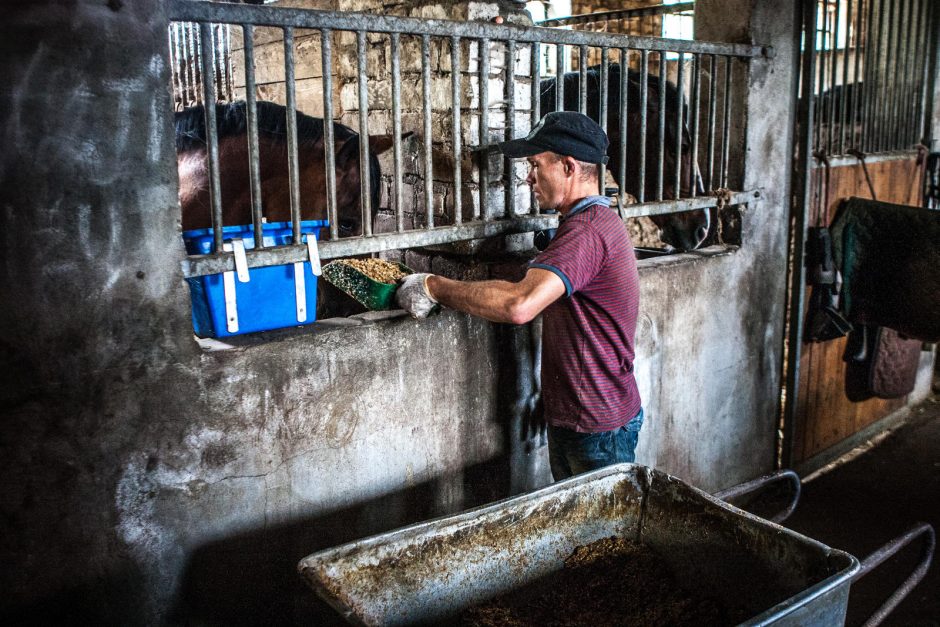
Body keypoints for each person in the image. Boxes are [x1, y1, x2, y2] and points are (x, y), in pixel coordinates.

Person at [396, 111, 643, 481]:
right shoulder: (591, 223)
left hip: (595, 426)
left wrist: (434, 286)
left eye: (535, 165)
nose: (529, 177)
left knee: (599, 535)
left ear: (569, 167)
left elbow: (518, 304)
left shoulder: (586, 233)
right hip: (587, 412)